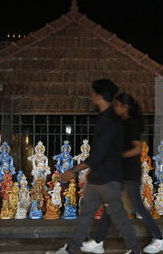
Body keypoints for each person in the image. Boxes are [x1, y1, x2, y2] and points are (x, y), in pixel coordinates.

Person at [46, 80, 141, 254]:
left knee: (119, 217)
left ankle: (135, 251)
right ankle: (73, 249)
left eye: (93, 94)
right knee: (86, 215)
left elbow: (98, 155)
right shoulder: (106, 118)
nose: (92, 98)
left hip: (109, 179)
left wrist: (73, 170)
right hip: (97, 177)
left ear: (98, 96)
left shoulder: (111, 121)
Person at [81, 93, 163, 254]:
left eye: (117, 104)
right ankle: (98, 242)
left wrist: (116, 155)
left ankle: (160, 239)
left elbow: (137, 149)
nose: (114, 107)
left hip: (129, 174)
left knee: (136, 206)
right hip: (121, 173)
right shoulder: (124, 123)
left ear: (125, 107)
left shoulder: (132, 124)